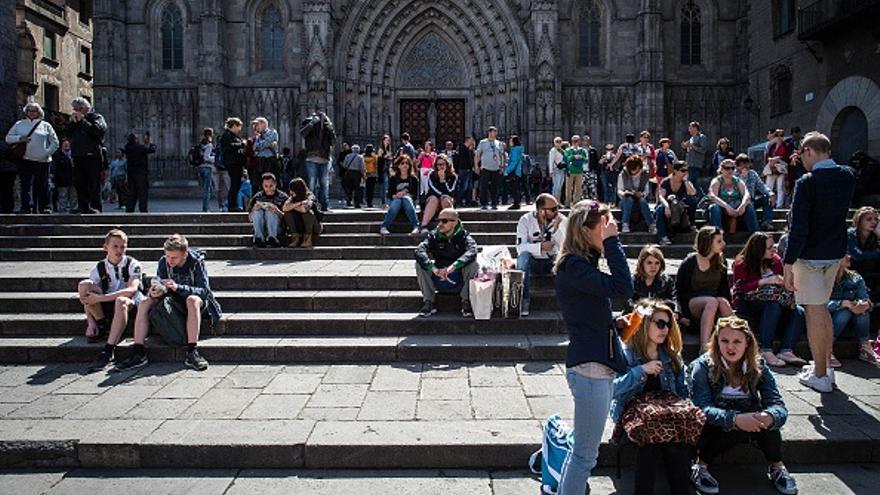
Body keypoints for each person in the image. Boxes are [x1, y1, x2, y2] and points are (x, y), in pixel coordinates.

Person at [554, 200, 633, 495]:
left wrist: (613, 323)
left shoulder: (580, 264)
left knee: (582, 452)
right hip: (590, 370)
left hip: (595, 364)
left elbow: (586, 309)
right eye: (603, 223)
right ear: (585, 230)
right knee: (585, 456)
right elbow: (623, 287)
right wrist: (612, 243)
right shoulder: (573, 265)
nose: (609, 227)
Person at [689, 317, 798, 495]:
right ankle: (700, 466)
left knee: (767, 423)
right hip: (718, 425)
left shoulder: (758, 365)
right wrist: (735, 419)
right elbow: (701, 407)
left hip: (752, 419)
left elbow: (777, 404)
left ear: (747, 342)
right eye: (724, 341)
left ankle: (777, 466)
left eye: (736, 341)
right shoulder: (702, 366)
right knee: (718, 425)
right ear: (716, 341)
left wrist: (770, 416)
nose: (730, 347)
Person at [784, 131, 856, 393]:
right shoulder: (847, 175)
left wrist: (788, 262)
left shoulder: (808, 182)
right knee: (822, 309)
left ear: (808, 151)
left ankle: (821, 375)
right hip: (834, 252)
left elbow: (798, 227)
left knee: (814, 312)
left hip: (811, 255)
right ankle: (824, 366)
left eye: (801, 154)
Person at [611, 300, 692, 495]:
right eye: (660, 323)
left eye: (669, 324)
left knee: (674, 443)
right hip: (633, 414)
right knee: (649, 445)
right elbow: (612, 389)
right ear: (645, 323)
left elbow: (683, 391)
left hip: (666, 414)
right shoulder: (626, 353)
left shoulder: (672, 355)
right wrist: (640, 370)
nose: (665, 329)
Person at [114, 234, 220, 371]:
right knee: (145, 301)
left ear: (185, 254)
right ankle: (138, 351)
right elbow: (161, 283)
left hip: (197, 303)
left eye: (174, 257)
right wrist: (157, 290)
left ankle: (192, 351)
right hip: (172, 301)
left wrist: (178, 287)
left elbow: (204, 291)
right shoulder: (163, 262)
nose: (170, 260)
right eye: (168, 256)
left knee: (192, 299)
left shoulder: (197, 263)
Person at [732, 232, 806, 367]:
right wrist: (764, 281)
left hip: (773, 299)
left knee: (799, 311)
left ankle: (786, 350)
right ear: (758, 249)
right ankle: (766, 349)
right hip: (748, 301)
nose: (774, 249)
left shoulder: (776, 260)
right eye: (770, 247)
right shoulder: (741, 263)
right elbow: (741, 288)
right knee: (773, 305)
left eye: (774, 246)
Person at [78, 229, 144, 347]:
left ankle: (112, 341)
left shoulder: (133, 264)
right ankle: (101, 323)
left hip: (129, 303)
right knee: (84, 285)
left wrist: (100, 298)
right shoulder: (99, 268)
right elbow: (88, 298)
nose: (119, 250)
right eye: (115, 246)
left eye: (123, 247)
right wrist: (90, 323)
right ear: (105, 247)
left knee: (120, 300)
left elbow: (132, 290)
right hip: (107, 301)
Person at [414, 208, 478, 317]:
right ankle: (429, 301)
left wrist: (453, 267)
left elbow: (473, 250)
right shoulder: (433, 235)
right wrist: (433, 268)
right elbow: (419, 250)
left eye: (444, 221)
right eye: (438, 220)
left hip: (458, 273)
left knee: (474, 265)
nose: (440, 224)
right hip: (438, 273)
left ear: (455, 222)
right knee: (420, 264)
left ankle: (466, 300)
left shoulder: (464, 236)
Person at [676, 226, 734, 346]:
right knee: (711, 302)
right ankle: (704, 347)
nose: (723, 243)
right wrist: (682, 316)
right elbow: (679, 290)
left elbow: (724, 289)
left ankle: (740, 339)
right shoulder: (690, 262)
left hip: (714, 301)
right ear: (708, 242)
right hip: (693, 303)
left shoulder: (721, 261)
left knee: (722, 301)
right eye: (719, 241)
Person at [515, 193, 567, 317]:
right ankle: (524, 300)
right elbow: (520, 248)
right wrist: (540, 247)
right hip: (533, 262)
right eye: (553, 209)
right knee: (523, 258)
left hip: (552, 261)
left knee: (566, 259)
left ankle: (565, 299)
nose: (557, 212)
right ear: (541, 210)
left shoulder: (562, 220)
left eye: (557, 208)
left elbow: (565, 247)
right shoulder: (525, 220)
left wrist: (556, 230)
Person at [5, 102, 59, 213]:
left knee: (43, 184)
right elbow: (8, 138)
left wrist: (46, 153)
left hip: (42, 160)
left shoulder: (46, 125)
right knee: (25, 184)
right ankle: (26, 207)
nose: (31, 113)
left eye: (34, 111)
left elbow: (55, 142)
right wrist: (19, 138)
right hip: (25, 159)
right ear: (26, 112)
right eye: (29, 110)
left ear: (39, 112)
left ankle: (45, 207)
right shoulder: (19, 124)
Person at [828, 255, 880, 367]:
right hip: (829, 321)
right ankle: (827, 347)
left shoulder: (855, 278)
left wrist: (864, 304)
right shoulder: (824, 278)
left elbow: (865, 298)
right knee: (844, 311)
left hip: (853, 321)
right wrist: (842, 304)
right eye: (844, 254)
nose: (849, 257)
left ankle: (865, 346)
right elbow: (817, 305)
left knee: (862, 310)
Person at [65, 97, 107, 214]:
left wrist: (83, 121)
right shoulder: (75, 121)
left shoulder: (96, 117)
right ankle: (82, 206)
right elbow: (67, 133)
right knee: (79, 182)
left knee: (93, 183)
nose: (76, 111)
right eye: (74, 109)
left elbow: (98, 131)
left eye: (78, 109)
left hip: (92, 155)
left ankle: (95, 206)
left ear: (85, 108)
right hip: (78, 155)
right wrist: (72, 123)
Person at [707, 158, 758, 234]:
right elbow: (713, 196)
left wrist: (742, 206)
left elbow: (747, 195)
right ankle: (716, 234)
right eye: (727, 168)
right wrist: (727, 207)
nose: (730, 170)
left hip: (737, 209)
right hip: (722, 209)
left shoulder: (738, 181)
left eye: (732, 168)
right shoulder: (717, 180)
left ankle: (755, 234)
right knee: (714, 207)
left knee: (749, 206)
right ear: (721, 169)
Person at [623, 246, 677, 315]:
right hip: (638, 316)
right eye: (649, 263)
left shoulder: (666, 281)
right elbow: (629, 303)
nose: (653, 267)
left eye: (657, 263)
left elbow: (672, 301)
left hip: (659, 315)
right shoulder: (633, 281)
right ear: (642, 264)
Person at [299, 111, 336, 211]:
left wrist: (329, 126)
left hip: (325, 158)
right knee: (312, 184)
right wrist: (312, 123)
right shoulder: (308, 122)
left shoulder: (327, 126)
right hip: (312, 157)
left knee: (325, 184)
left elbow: (333, 140)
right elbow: (302, 133)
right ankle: (312, 205)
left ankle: (324, 205)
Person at [655, 161, 697, 245]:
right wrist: (666, 206)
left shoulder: (685, 182)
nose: (685, 173)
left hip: (679, 206)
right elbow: (661, 197)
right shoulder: (666, 181)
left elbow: (693, 193)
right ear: (675, 171)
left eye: (686, 170)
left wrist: (686, 181)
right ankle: (662, 237)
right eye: (683, 170)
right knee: (660, 209)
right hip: (668, 204)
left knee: (692, 200)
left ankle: (691, 224)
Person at [380, 155, 421, 236]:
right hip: (396, 204)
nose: (405, 165)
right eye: (402, 163)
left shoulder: (414, 179)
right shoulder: (393, 178)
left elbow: (415, 196)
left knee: (406, 199)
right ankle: (384, 227)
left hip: (409, 204)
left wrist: (405, 194)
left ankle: (416, 226)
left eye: (407, 163)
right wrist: (396, 195)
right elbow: (389, 194)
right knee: (398, 200)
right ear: (398, 165)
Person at [735, 153, 776, 231]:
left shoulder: (752, 173)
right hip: (739, 203)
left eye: (747, 164)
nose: (745, 167)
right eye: (742, 165)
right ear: (737, 166)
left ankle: (767, 222)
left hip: (752, 200)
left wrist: (771, 193)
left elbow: (761, 186)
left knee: (767, 198)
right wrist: (743, 177)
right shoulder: (734, 175)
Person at [248, 173, 288, 247]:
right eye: (266, 186)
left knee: (270, 212)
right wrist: (254, 209)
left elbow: (287, 219)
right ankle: (259, 239)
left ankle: (272, 238)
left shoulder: (283, 197)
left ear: (275, 184)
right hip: (260, 227)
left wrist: (276, 210)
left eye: (271, 186)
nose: (269, 188)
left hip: (277, 228)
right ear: (262, 186)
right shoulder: (257, 197)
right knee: (257, 212)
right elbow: (250, 219)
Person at [617, 156, 655, 234]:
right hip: (626, 200)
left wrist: (642, 194)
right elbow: (619, 190)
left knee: (642, 200)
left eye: (636, 169)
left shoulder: (644, 173)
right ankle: (625, 224)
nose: (634, 171)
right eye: (631, 169)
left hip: (640, 199)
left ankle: (651, 224)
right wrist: (624, 193)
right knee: (629, 199)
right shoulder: (623, 174)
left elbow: (646, 190)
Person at [420, 154, 457, 233]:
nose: (441, 166)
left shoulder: (453, 176)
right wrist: (441, 195)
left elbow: (450, 191)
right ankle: (424, 225)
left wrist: (443, 181)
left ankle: (452, 227)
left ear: (447, 165)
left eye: (443, 164)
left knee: (445, 199)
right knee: (434, 199)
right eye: (439, 164)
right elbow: (433, 190)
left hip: (447, 199)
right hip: (433, 199)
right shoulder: (432, 175)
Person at [847, 206, 880, 290]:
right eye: (869, 219)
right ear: (859, 220)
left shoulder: (875, 235)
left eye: (876, 219)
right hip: (852, 274)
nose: (873, 222)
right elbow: (858, 255)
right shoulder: (850, 234)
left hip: (871, 274)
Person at [283, 178, 322, 248]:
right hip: (300, 224)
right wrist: (299, 203)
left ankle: (308, 238)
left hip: (313, 226)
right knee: (287, 214)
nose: (291, 192)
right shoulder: (291, 198)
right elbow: (284, 208)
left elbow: (304, 209)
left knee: (308, 213)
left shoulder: (310, 196)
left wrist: (292, 206)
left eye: (293, 190)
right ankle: (295, 237)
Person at [123, 132, 156, 213]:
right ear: (135, 139)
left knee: (132, 192)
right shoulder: (138, 147)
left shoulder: (127, 147)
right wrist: (150, 143)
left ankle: (129, 209)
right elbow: (152, 150)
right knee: (142, 192)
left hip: (131, 173)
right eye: (137, 138)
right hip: (141, 173)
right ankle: (143, 209)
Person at [219, 117, 247, 212]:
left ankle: (233, 204)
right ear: (234, 125)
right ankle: (232, 205)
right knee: (235, 184)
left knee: (236, 184)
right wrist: (242, 144)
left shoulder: (233, 135)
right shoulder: (227, 135)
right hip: (232, 163)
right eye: (239, 126)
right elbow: (230, 146)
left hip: (237, 163)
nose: (240, 129)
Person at [475, 126, 504, 210]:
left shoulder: (499, 143)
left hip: (496, 168)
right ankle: (484, 203)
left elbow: (501, 155)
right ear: (489, 133)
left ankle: (494, 203)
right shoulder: (483, 142)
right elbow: (478, 154)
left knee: (495, 187)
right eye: (493, 132)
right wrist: (477, 165)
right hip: (485, 168)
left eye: (496, 132)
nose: (495, 134)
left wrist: (502, 166)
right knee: (484, 186)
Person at [764, 129, 792, 207]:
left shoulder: (787, 146)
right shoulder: (771, 146)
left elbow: (787, 158)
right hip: (772, 167)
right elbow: (767, 156)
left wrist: (778, 159)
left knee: (780, 187)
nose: (779, 137)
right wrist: (771, 160)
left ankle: (779, 205)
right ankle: (767, 203)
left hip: (781, 168)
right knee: (768, 186)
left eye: (781, 135)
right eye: (777, 135)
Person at [51, 139, 76, 214]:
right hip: (61, 180)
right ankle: (62, 211)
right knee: (62, 196)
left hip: (73, 179)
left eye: (67, 144)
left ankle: (74, 210)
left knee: (74, 196)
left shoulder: (74, 154)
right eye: (64, 144)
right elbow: (55, 167)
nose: (66, 145)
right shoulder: (57, 155)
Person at [681, 121, 707, 188]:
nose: (689, 129)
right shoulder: (691, 138)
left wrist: (692, 146)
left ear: (695, 128)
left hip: (696, 164)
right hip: (689, 164)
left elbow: (703, 150)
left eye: (690, 127)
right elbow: (690, 149)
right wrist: (685, 146)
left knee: (693, 183)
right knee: (691, 183)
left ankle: (701, 196)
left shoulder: (702, 137)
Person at [564, 135, 587, 208]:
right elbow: (566, 159)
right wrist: (573, 156)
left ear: (579, 141)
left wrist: (581, 157)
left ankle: (576, 203)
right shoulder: (568, 150)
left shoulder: (582, 150)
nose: (575, 143)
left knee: (578, 188)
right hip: (570, 171)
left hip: (579, 171)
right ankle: (567, 203)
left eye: (577, 141)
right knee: (568, 188)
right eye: (574, 141)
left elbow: (586, 160)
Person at [503, 135, 525, 210]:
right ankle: (517, 202)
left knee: (514, 188)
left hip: (514, 171)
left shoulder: (515, 150)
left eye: (510, 141)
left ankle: (516, 203)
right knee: (516, 188)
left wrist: (507, 170)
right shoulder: (519, 149)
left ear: (513, 142)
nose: (509, 143)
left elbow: (514, 162)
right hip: (517, 171)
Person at [341, 144, 366, 208]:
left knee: (349, 188)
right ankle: (356, 203)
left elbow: (344, 165)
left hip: (348, 173)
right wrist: (364, 175)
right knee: (357, 189)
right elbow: (362, 167)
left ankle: (348, 202)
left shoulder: (347, 156)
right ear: (358, 150)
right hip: (357, 174)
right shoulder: (360, 157)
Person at [453, 136, 475, 207]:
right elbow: (464, 160)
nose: (472, 142)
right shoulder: (462, 148)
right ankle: (459, 201)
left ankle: (468, 201)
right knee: (463, 186)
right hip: (464, 169)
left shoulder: (468, 149)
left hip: (469, 170)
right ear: (467, 140)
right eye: (471, 140)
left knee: (469, 187)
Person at [197, 128, 215, 213]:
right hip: (207, 167)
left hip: (200, 167)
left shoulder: (201, 144)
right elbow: (206, 157)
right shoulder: (209, 145)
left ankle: (206, 207)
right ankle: (205, 208)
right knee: (207, 189)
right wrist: (214, 158)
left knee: (209, 188)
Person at [0, 142, 17, 214]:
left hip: (5, 169)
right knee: (9, 190)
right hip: (11, 169)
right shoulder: (12, 143)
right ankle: (9, 209)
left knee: (4, 190)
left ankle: (4, 208)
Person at [548, 136, 566, 202]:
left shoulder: (562, 150)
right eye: (557, 141)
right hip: (556, 170)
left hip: (562, 170)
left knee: (560, 186)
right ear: (554, 143)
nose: (558, 143)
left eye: (560, 141)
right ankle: (554, 201)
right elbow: (551, 161)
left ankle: (558, 201)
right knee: (556, 186)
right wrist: (550, 171)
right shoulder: (553, 150)